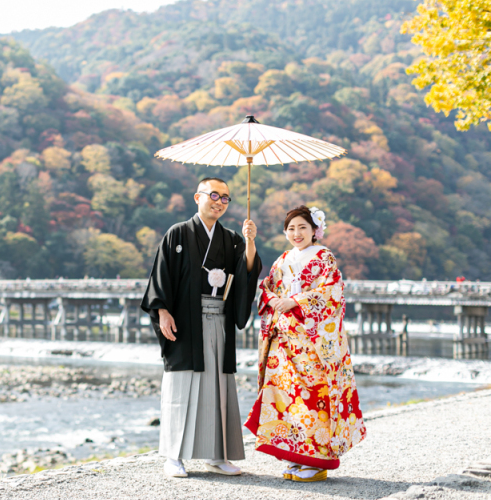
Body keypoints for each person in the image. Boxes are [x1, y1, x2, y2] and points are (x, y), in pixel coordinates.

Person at [141, 177, 261, 478]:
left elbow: (247, 272)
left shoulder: (233, 239)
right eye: (214, 195)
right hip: (184, 320)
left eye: (225, 198)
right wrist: (163, 311)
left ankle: (216, 456)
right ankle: (173, 456)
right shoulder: (177, 233)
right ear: (198, 197)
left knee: (217, 389)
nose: (219, 201)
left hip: (218, 318)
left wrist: (250, 242)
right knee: (181, 387)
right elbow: (160, 276)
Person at [244, 205, 366, 482]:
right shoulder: (283, 259)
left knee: (315, 397)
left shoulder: (324, 257)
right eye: (291, 228)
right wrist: (274, 300)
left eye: (302, 227)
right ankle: (295, 456)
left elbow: (331, 293)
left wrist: (296, 301)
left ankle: (318, 459)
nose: (296, 233)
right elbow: (266, 287)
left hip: (313, 343)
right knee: (289, 399)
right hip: (285, 342)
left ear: (315, 230)